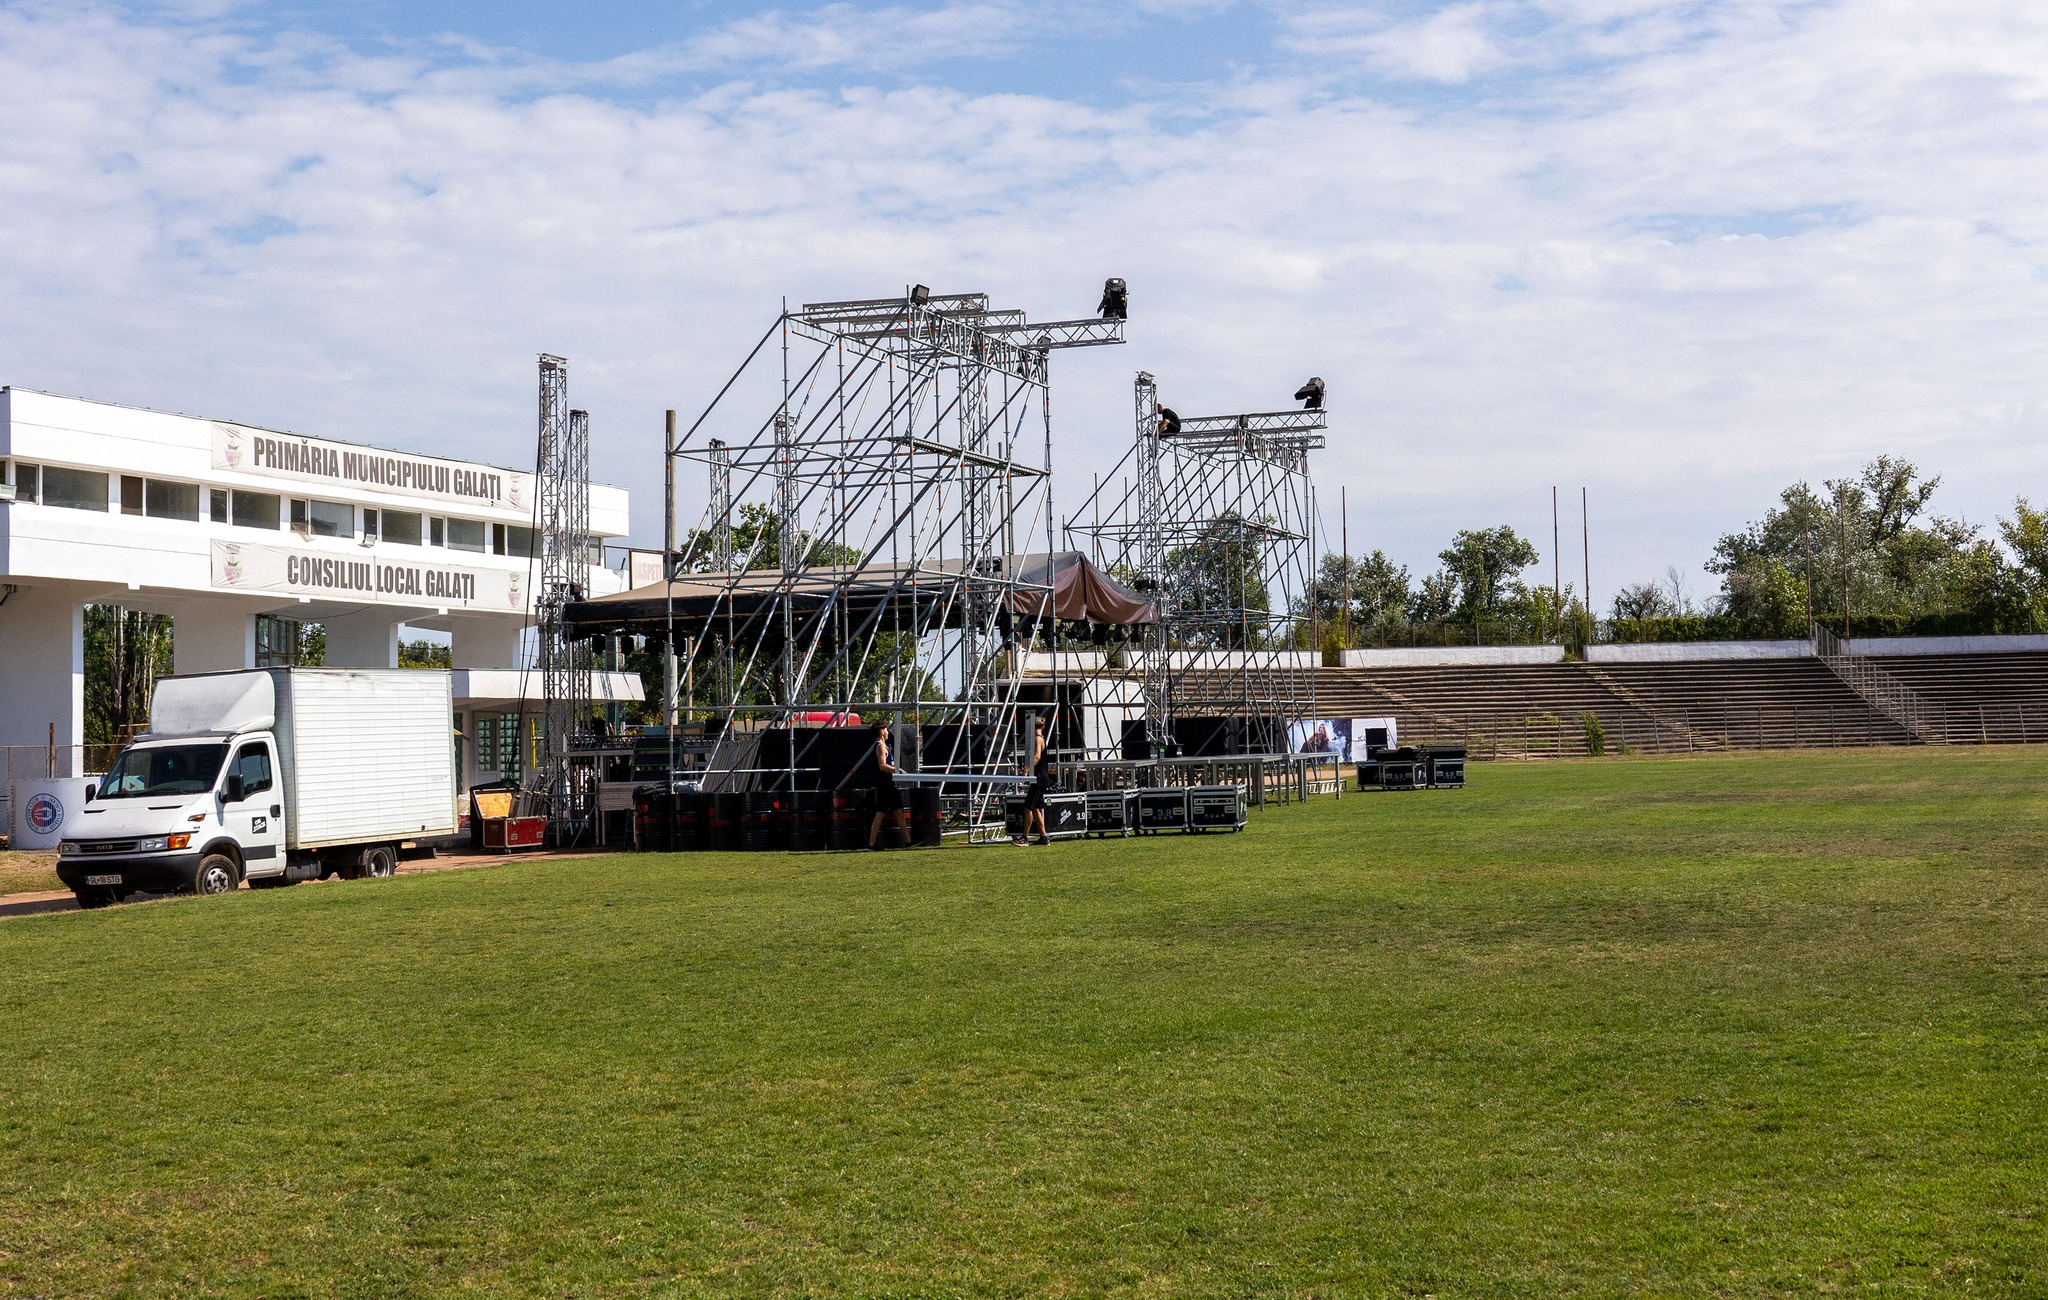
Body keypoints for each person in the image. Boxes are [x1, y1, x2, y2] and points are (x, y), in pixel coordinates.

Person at [865, 722, 909, 850]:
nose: (888, 732)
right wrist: (897, 770)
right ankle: (871, 844)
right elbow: (882, 765)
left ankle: (872, 844)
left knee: (889, 812)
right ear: (881, 731)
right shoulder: (880, 746)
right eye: (886, 730)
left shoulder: (884, 746)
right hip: (885, 783)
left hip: (886, 783)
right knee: (886, 812)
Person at [1016, 716, 1052, 846]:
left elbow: (1037, 756)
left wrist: (1027, 769)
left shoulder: (1038, 739)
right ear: (1043, 727)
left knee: (1027, 808)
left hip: (1039, 779)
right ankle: (1043, 838)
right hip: (1042, 778)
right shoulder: (1041, 738)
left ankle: (1024, 838)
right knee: (1035, 808)